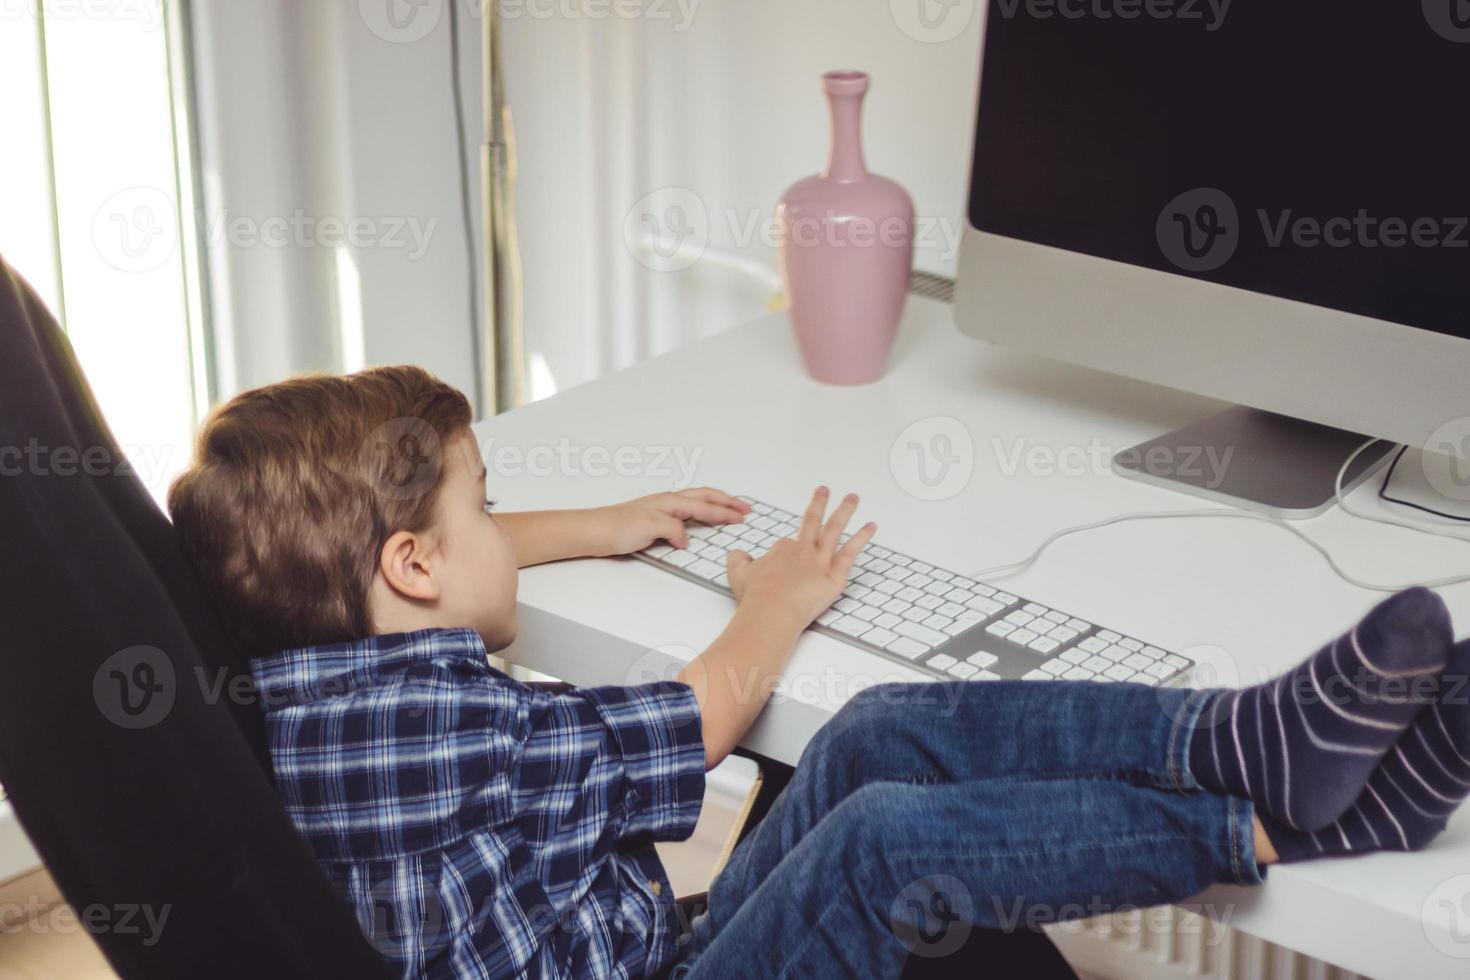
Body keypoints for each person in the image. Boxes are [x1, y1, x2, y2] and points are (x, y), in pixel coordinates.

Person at [167, 365, 1470, 980]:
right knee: (882, 840)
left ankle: (1246, 740)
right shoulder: (440, 738)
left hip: (648, 954)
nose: (505, 527)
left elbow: (447, 571)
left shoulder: (314, 684)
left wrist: (596, 523)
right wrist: (777, 602)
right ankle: (1270, 818)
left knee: (880, 726)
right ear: (410, 564)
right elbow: (706, 718)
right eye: (486, 508)